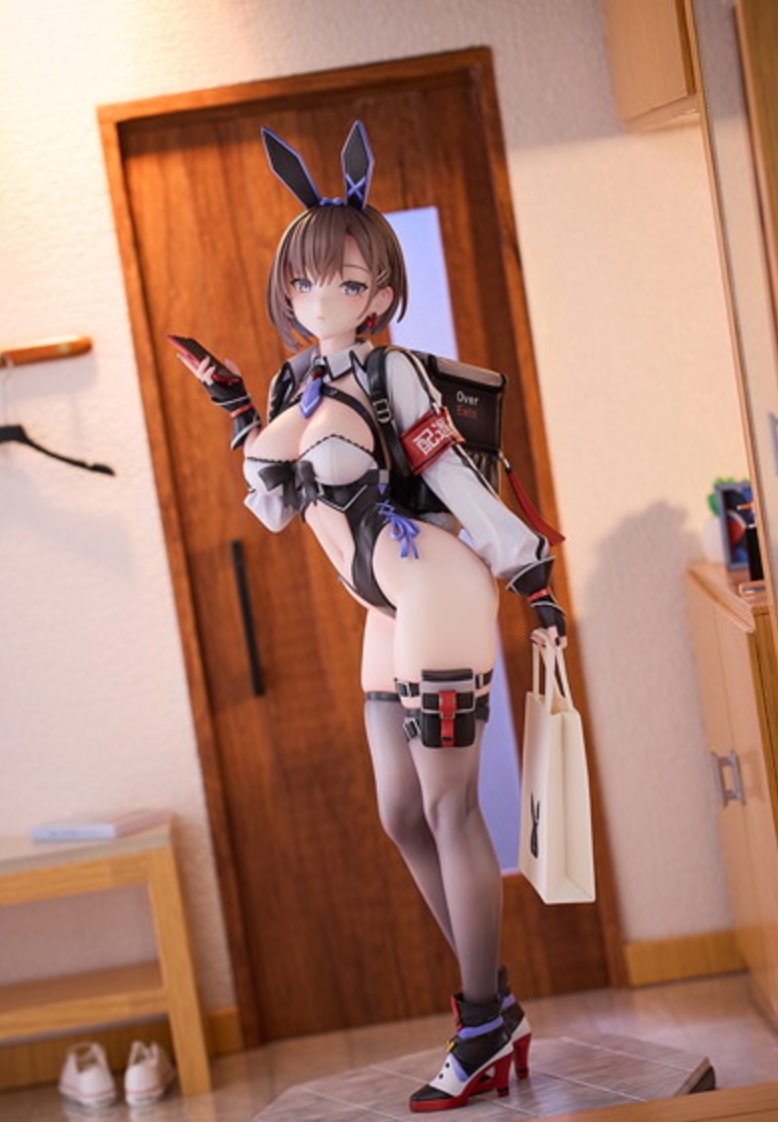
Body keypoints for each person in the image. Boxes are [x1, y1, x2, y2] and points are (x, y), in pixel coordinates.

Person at [175, 121, 566, 1113]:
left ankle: (482, 1024)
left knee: (447, 809)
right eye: (304, 282)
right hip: (382, 606)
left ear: (381, 294)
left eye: (345, 282)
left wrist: (531, 576)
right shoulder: (291, 381)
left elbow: (458, 482)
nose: (321, 298)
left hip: (434, 589)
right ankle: (495, 1010)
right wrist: (241, 412)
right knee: (400, 815)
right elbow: (276, 511)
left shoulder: (395, 375)